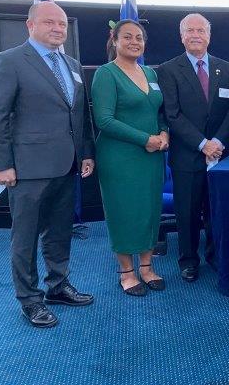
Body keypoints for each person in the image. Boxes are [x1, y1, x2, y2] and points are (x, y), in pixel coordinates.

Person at [0, 2, 95, 328]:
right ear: (30, 25)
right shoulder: (8, 62)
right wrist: (1, 165)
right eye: (49, 22)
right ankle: (30, 300)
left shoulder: (71, 64)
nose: (58, 28)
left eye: (62, 24)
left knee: (59, 232)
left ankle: (58, 286)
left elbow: (79, 114)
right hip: (26, 169)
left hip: (66, 164)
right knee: (25, 237)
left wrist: (86, 152)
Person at [157, 13, 229, 282]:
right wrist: (203, 144)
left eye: (200, 30)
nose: (195, 35)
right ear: (181, 36)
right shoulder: (168, 69)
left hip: (221, 155)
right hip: (187, 156)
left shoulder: (226, 69)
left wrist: (218, 142)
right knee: (187, 213)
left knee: (217, 209)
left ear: (209, 35)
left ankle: (216, 256)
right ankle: (188, 260)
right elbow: (172, 114)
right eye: (190, 30)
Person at [91, 19, 168, 296]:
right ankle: (126, 272)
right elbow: (104, 119)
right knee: (123, 211)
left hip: (152, 156)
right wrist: (145, 139)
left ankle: (147, 268)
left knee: (149, 208)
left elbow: (160, 112)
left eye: (139, 37)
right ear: (114, 40)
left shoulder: (150, 73)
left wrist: (164, 132)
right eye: (128, 37)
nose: (135, 42)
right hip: (120, 157)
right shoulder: (106, 74)